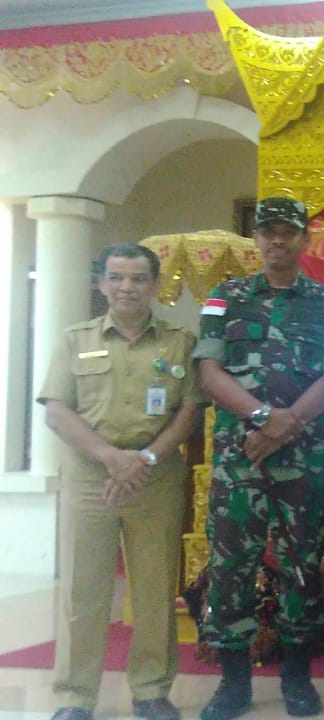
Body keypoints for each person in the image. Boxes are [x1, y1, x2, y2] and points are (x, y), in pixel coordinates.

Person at [194, 197, 324, 720]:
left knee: (302, 567)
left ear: (305, 240)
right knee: (230, 568)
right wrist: (265, 418)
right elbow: (210, 373)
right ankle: (233, 684)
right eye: (268, 232)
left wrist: (288, 427)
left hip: (300, 463)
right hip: (240, 464)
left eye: (288, 232)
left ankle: (297, 679)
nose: (277, 241)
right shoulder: (224, 297)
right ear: (256, 240)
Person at [38, 244, 202, 720]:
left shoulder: (179, 341)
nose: (127, 287)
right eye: (117, 278)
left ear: (154, 285)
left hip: (155, 480)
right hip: (91, 479)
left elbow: (188, 411)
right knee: (82, 591)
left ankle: (151, 692)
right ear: (101, 283)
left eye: (137, 279)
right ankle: (74, 697)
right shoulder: (75, 338)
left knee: (154, 592)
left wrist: (144, 458)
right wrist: (112, 459)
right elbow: (56, 410)